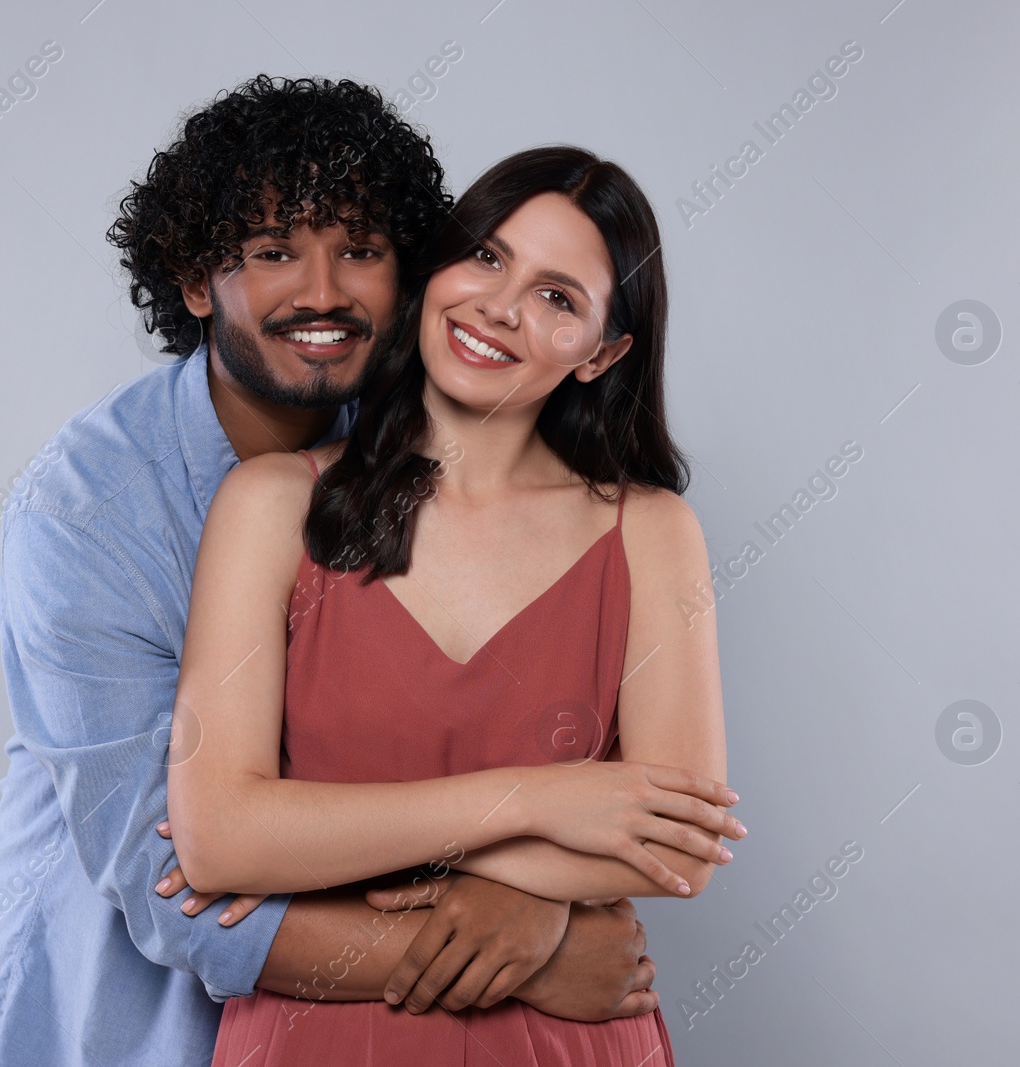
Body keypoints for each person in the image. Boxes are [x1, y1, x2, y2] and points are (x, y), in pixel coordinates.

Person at [0, 78, 675, 1067]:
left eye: (360, 248)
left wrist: (528, 891)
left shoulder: (427, 439)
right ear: (194, 281)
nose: (322, 291)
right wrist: (533, 954)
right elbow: (178, 884)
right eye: (273, 252)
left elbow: (546, 728)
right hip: (139, 1028)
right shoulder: (85, 510)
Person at [166, 145, 743, 1066]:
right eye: (485, 256)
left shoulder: (653, 532)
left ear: (604, 352)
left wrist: (335, 844)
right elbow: (221, 838)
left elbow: (680, 849)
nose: (500, 306)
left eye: (558, 297)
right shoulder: (271, 504)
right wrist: (540, 804)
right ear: (436, 267)